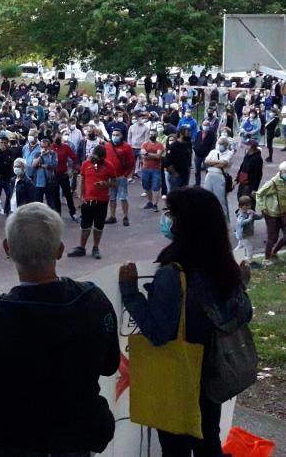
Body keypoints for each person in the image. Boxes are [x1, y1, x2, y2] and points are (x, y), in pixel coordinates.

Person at [0, 202, 120, 457]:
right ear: (59, 250)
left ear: (7, 248)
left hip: (16, 446)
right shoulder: (93, 300)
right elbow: (110, 364)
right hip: (76, 441)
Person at [119, 186, 252, 456]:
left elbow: (158, 333)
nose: (167, 219)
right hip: (213, 376)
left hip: (178, 379)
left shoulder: (173, 274)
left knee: (175, 447)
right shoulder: (224, 267)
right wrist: (242, 284)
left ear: (185, 224)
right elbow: (242, 316)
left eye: (171, 214)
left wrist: (131, 293)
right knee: (208, 441)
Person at [68, 145, 115, 260]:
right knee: (85, 226)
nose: (96, 160)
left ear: (103, 158)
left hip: (102, 201)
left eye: (99, 158)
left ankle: (95, 247)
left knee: (98, 226)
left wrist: (105, 184)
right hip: (88, 200)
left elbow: (114, 182)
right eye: (95, 157)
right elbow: (82, 180)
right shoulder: (85, 164)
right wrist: (81, 195)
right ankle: (81, 248)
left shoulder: (109, 166)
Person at [255, 161, 286, 267]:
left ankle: (274, 252)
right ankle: (267, 259)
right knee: (273, 237)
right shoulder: (273, 182)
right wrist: (263, 208)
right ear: (281, 172)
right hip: (271, 213)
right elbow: (259, 194)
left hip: (283, 212)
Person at [104, 129, 134, 226]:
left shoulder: (127, 147)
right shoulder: (107, 146)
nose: (115, 136)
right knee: (112, 198)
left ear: (122, 136)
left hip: (121, 176)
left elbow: (131, 162)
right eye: (113, 134)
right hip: (110, 177)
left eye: (117, 135)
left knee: (123, 197)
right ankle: (112, 216)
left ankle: (126, 217)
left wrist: (126, 175)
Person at [203, 136, 234, 220]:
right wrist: (218, 162)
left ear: (226, 145)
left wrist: (212, 163)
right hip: (209, 175)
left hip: (220, 176)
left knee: (220, 199)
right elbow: (206, 162)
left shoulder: (229, 153)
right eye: (219, 143)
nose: (220, 145)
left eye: (222, 144)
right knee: (206, 197)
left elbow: (223, 164)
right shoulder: (213, 151)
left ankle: (224, 219)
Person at [235, 195, 263, 268]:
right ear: (241, 206)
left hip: (246, 234)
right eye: (246, 206)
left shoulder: (250, 212)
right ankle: (250, 261)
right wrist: (250, 217)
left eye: (249, 205)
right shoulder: (241, 214)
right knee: (249, 247)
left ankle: (235, 259)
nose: (248, 207)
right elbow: (241, 223)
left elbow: (257, 217)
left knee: (240, 247)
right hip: (243, 235)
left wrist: (262, 214)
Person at [140, 129, 164, 211]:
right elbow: (143, 156)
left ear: (156, 135)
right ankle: (150, 202)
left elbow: (158, 156)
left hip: (156, 169)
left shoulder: (160, 145)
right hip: (145, 168)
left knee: (156, 187)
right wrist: (153, 154)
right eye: (151, 134)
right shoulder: (144, 144)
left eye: (154, 134)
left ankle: (155, 204)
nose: (152, 135)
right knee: (146, 186)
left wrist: (147, 154)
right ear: (148, 135)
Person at [235, 141, 263, 207]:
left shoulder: (258, 159)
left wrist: (255, 188)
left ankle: (250, 214)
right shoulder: (247, 155)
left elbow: (258, 174)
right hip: (242, 182)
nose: (245, 146)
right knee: (240, 198)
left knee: (247, 201)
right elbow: (241, 167)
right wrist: (237, 179)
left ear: (251, 146)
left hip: (250, 184)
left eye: (247, 145)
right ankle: (242, 214)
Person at [165, 126, 193, 191]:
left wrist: (188, 171)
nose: (189, 135)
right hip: (175, 176)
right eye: (187, 133)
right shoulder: (173, 146)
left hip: (185, 175)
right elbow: (167, 162)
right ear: (181, 134)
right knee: (175, 196)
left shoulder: (188, 144)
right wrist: (175, 173)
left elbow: (188, 159)